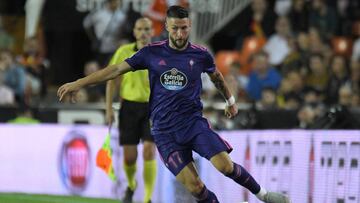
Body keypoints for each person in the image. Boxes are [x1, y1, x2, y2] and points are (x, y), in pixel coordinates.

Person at [58, 5, 290, 203]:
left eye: (184, 28)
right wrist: (79, 83)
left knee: (225, 167)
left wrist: (230, 100)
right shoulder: (150, 53)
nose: (180, 33)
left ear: (189, 26)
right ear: (167, 27)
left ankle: (263, 194)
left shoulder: (201, 54)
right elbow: (116, 70)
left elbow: (217, 76)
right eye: (175, 28)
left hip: (193, 124)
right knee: (196, 188)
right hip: (164, 132)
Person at [105, 18, 157, 203]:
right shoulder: (123, 52)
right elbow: (112, 80)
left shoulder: (160, 52)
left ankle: (148, 198)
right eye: (140, 29)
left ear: (152, 32)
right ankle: (131, 184)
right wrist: (109, 108)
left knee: (149, 151)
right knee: (129, 157)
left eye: (147, 29)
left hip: (152, 107)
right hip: (128, 107)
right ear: (134, 32)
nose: (143, 32)